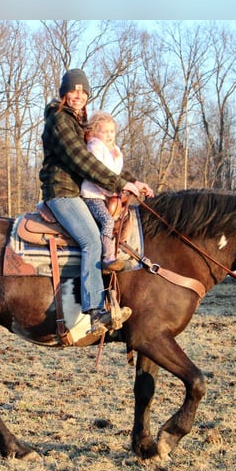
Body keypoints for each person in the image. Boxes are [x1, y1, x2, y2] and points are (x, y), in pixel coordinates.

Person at [38, 68, 151, 337]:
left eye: (83, 91)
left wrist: (134, 182)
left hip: (80, 193)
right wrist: (119, 185)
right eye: (73, 90)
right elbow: (82, 161)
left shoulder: (79, 122)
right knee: (91, 239)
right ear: (64, 93)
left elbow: (103, 163)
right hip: (62, 192)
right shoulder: (59, 120)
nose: (78, 95)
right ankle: (94, 309)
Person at [82, 111, 154, 271]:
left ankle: (123, 249)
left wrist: (136, 183)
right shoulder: (95, 147)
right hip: (94, 195)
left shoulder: (114, 150)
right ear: (94, 132)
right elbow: (99, 174)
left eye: (112, 131)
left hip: (109, 195)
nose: (109, 135)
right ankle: (107, 255)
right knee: (106, 220)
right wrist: (116, 190)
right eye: (104, 131)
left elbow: (118, 173)